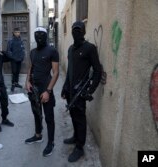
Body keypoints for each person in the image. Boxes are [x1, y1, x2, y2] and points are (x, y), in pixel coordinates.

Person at [61, 21, 102, 162]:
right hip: (70, 91)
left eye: (79, 30)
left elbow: (97, 70)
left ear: (84, 32)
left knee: (80, 118)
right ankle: (75, 136)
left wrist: (90, 90)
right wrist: (65, 87)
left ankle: (80, 147)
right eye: (74, 30)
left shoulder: (90, 48)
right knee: (73, 115)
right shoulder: (71, 49)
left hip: (81, 91)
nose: (76, 33)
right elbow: (70, 71)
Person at [25, 27, 59, 157]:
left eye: (41, 35)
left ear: (46, 36)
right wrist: (27, 82)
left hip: (46, 89)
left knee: (49, 117)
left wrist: (48, 91)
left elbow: (55, 73)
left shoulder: (52, 51)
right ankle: (38, 135)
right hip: (33, 88)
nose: (39, 37)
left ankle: (51, 142)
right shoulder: (33, 52)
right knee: (36, 113)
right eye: (36, 35)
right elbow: (30, 67)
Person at [7, 27, 25, 92]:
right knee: (14, 72)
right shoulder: (10, 40)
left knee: (17, 72)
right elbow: (8, 50)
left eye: (18, 32)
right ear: (14, 33)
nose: (17, 33)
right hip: (13, 59)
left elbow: (23, 49)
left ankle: (16, 83)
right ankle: (13, 84)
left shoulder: (21, 40)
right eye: (16, 32)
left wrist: (22, 57)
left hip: (19, 59)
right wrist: (12, 57)